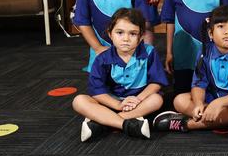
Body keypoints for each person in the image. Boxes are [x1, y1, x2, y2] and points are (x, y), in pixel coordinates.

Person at [153, 5, 228, 138]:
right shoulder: (205, 52)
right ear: (210, 33)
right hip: (210, 98)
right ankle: (226, 122)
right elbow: (199, 84)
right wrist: (198, 104)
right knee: (179, 100)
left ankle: (187, 124)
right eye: (221, 26)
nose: (227, 32)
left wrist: (219, 104)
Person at [72, 8, 168, 142]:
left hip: (138, 101)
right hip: (111, 102)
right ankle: (127, 124)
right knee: (79, 101)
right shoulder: (102, 59)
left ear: (141, 37)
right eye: (120, 33)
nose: (126, 39)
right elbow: (97, 91)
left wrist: (138, 99)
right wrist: (118, 105)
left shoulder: (149, 52)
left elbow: (156, 82)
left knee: (156, 100)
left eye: (133, 34)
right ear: (110, 34)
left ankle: (103, 123)